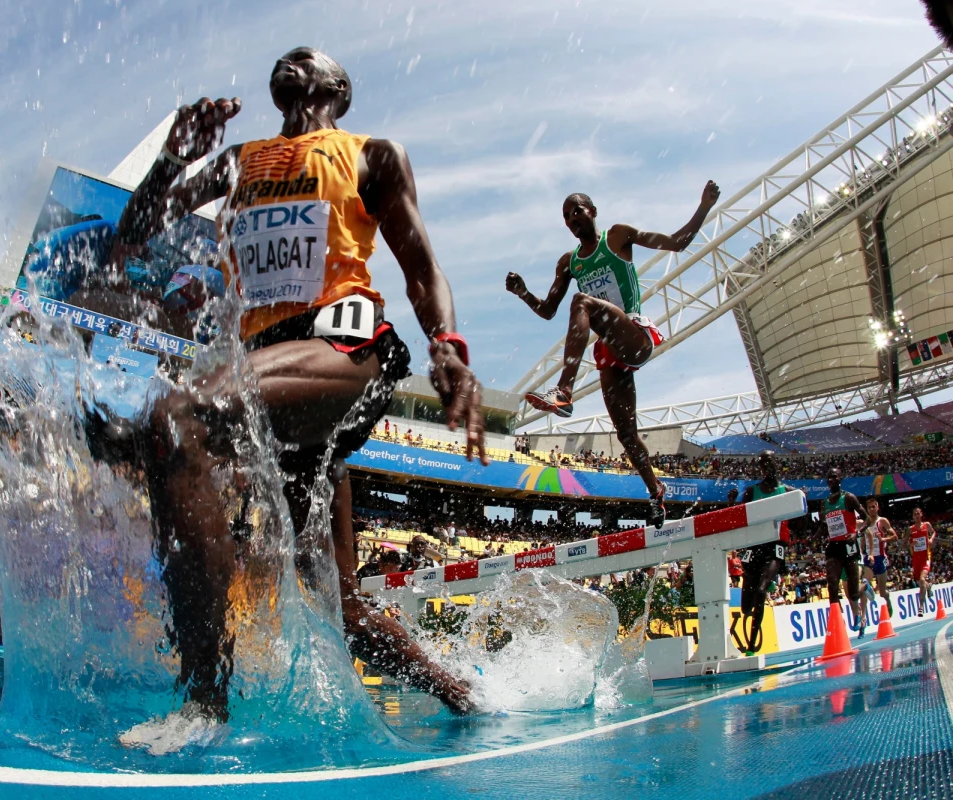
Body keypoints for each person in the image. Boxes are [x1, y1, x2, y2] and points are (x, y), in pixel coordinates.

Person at [73, 47, 485, 721]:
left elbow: (419, 264)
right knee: (337, 600)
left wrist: (447, 344)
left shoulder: (371, 153)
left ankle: (204, 702)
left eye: (312, 57)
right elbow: (137, 228)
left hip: (342, 350)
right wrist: (173, 159)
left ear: (338, 88)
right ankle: (465, 695)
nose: (294, 56)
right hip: (270, 384)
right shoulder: (240, 161)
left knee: (177, 416)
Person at [505, 183, 721, 528]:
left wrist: (704, 206)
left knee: (582, 302)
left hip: (635, 336)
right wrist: (522, 293)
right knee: (625, 433)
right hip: (611, 350)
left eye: (577, 210)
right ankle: (656, 493)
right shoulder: (569, 263)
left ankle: (564, 390)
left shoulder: (618, 237)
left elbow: (677, 243)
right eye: (566, 216)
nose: (573, 218)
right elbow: (547, 310)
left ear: (592, 211)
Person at [730, 452, 791, 655]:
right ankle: (767, 581)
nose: (766, 467)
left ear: (776, 465)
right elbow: (738, 519)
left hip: (775, 547)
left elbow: (801, 524)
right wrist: (731, 504)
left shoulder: (787, 492)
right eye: (762, 464)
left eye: (769, 462)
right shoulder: (751, 492)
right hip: (755, 547)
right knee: (746, 608)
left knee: (761, 591)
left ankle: (751, 647)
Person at [816, 468, 869, 634]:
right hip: (833, 547)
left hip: (849, 545)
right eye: (829, 477)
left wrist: (857, 533)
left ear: (840, 478)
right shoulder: (824, 503)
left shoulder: (849, 498)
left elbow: (867, 519)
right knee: (832, 585)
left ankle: (864, 586)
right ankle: (837, 626)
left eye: (834, 476)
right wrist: (815, 536)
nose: (831, 479)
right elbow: (825, 526)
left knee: (853, 595)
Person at [862, 498, 897, 621]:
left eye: (873, 507)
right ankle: (863, 616)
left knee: (882, 592)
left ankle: (888, 600)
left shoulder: (882, 521)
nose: (871, 509)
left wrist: (883, 540)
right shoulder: (864, 523)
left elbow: (895, 536)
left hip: (881, 558)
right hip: (868, 559)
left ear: (877, 507)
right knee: (865, 584)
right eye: (869, 507)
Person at [909, 507, 937, 615]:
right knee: (920, 582)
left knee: (921, 579)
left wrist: (930, 539)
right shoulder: (910, 529)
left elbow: (934, 532)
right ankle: (928, 586)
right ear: (913, 516)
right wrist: (911, 544)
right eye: (914, 514)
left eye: (918, 513)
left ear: (921, 514)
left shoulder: (927, 525)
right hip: (916, 560)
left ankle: (921, 607)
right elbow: (904, 543)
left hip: (926, 557)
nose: (916, 515)